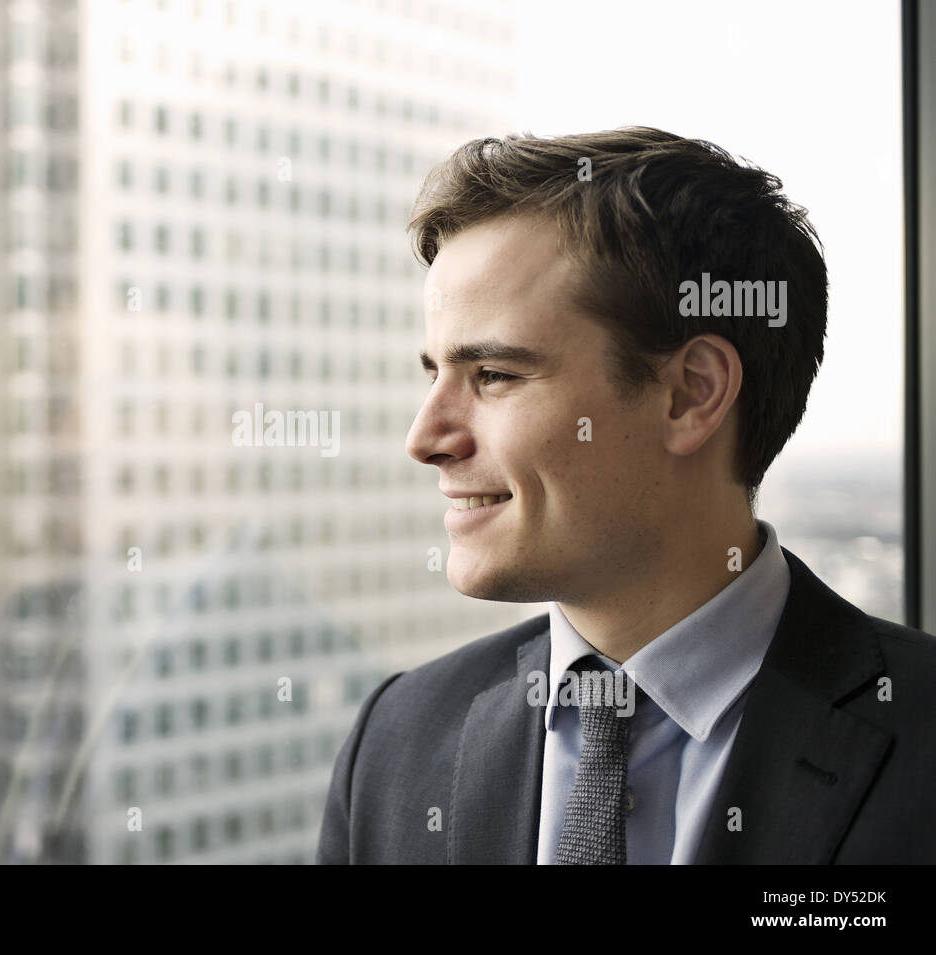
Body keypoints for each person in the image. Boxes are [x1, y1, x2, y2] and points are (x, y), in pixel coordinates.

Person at [316, 128, 936, 864]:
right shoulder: (397, 739)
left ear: (689, 394)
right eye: (434, 374)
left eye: (493, 375)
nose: (425, 436)